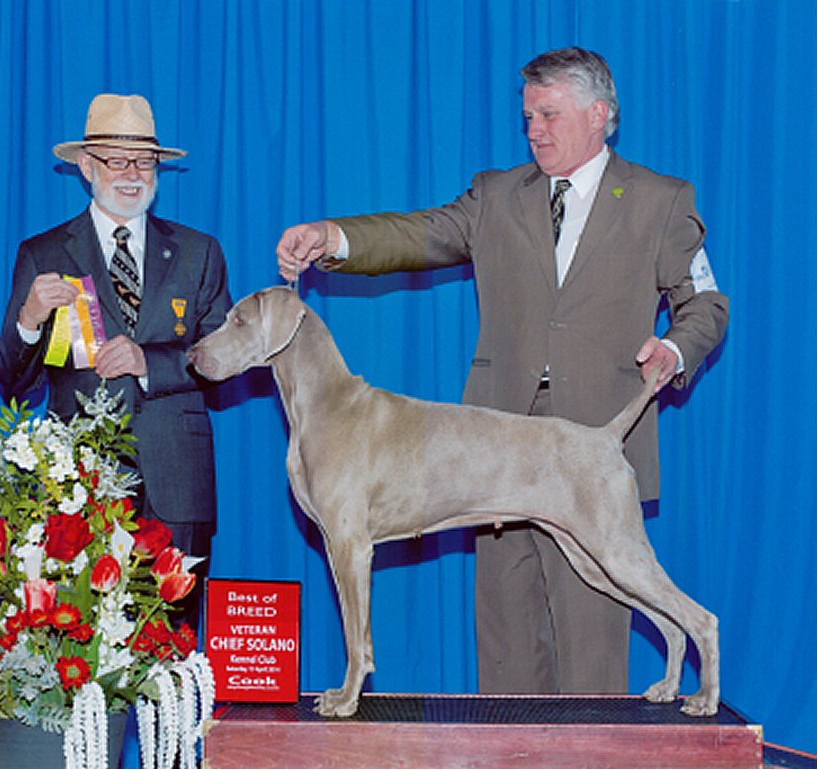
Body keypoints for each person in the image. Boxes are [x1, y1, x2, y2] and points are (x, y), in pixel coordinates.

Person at [275, 47, 728, 695]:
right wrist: (333, 238)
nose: (534, 129)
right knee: (507, 649)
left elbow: (705, 303)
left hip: (592, 441)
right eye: (527, 117)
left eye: (549, 114)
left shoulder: (660, 200)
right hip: (487, 450)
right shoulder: (495, 196)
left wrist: (676, 349)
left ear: (599, 115)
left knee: (592, 649)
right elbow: (419, 233)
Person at [0, 93, 232, 634]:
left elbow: (222, 360)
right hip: (82, 486)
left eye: (144, 161)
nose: (131, 174)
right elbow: (11, 380)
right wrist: (29, 319)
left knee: (172, 647)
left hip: (178, 482)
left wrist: (148, 360)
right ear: (86, 166)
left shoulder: (200, 252)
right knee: (83, 648)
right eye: (116, 160)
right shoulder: (43, 253)